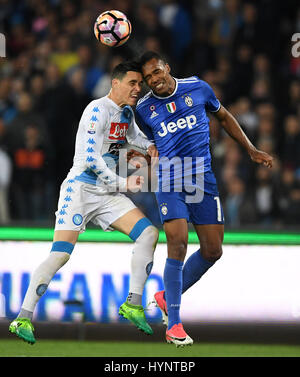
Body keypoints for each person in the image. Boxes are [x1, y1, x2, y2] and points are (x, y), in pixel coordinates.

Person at [8, 61, 159, 344]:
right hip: (80, 190)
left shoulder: (125, 112)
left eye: (140, 84)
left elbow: (132, 135)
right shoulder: (96, 110)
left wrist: (147, 145)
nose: (138, 89)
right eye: (132, 83)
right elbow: (90, 159)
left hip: (106, 194)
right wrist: (121, 183)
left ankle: (133, 303)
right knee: (61, 254)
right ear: (115, 83)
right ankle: (23, 317)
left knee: (149, 233)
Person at [133, 51, 273, 347]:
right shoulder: (144, 109)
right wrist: (148, 150)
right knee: (178, 242)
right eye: (148, 78)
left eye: (157, 72)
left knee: (212, 250)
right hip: (170, 177)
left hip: (202, 178)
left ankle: (164, 296)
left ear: (167, 67)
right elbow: (144, 140)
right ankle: (174, 324)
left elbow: (223, 116)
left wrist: (250, 149)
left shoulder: (198, 87)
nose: (155, 80)